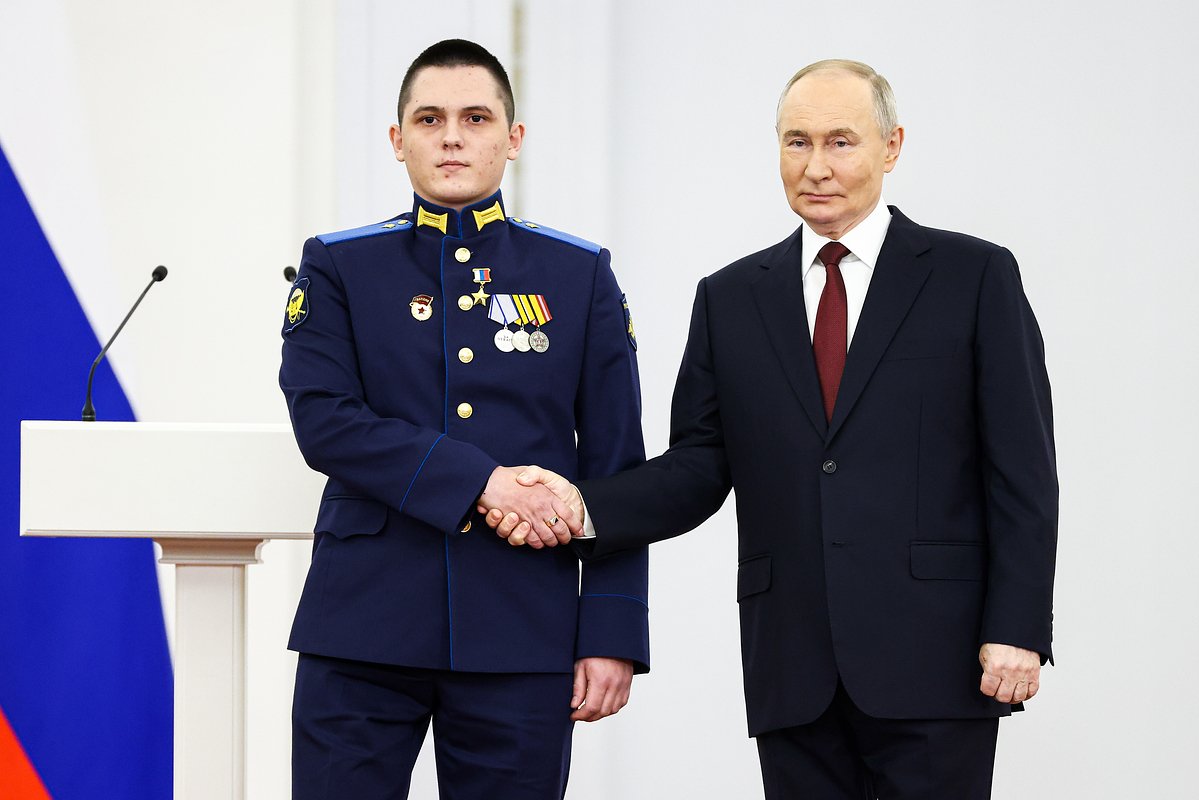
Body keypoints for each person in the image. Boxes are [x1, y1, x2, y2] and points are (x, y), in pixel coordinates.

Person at [490, 59, 1057, 798]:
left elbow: (1021, 469)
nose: (815, 166)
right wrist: (579, 505)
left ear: (891, 147)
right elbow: (697, 467)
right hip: (793, 665)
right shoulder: (730, 298)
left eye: (840, 142)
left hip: (938, 659)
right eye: (796, 142)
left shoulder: (972, 276)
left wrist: (1016, 627)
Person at [279, 38, 649, 800]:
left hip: (522, 627)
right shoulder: (339, 266)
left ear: (513, 138)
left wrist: (612, 630)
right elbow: (325, 421)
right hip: (362, 627)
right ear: (398, 139)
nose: (451, 137)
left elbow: (616, 466)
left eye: (475, 118)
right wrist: (482, 482)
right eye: (429, 119)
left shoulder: (578, 275)